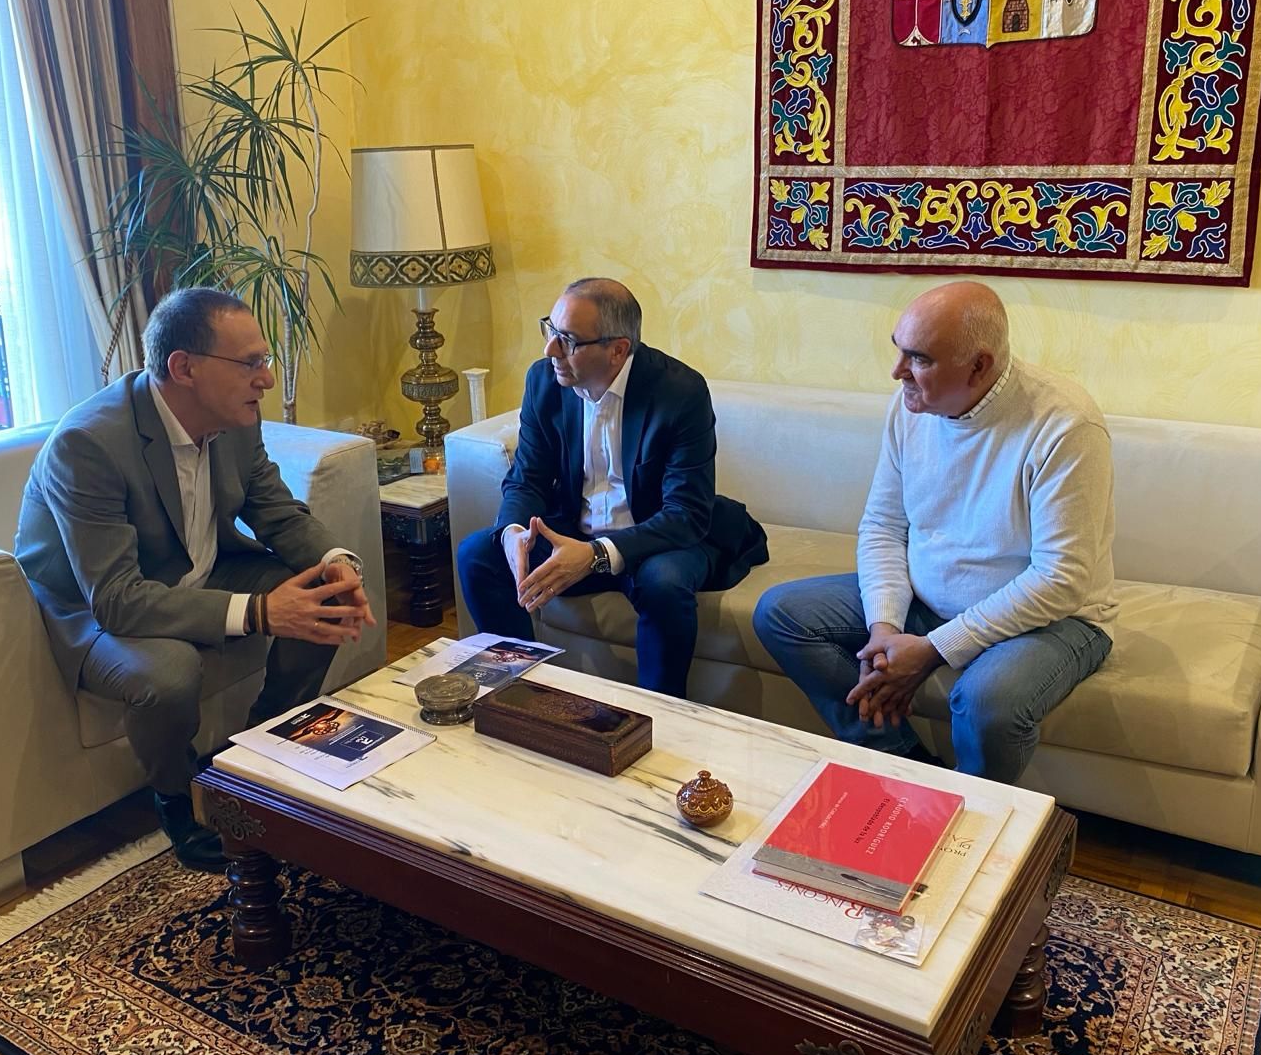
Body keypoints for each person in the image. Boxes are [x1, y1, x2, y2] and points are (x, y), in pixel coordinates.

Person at [16, 288, 376, 871]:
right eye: (250, 363)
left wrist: (337, 562)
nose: (266, 378)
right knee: (171, 675)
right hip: (99, 609)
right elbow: (115, 599)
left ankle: (259, 757)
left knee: (321, 595)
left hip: (201, 571)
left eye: (265, 360)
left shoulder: (235, 419)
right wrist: (261, 611)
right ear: (183, 368)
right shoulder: (88, 445)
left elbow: (277, 513)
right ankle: (177, 798)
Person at [753, 282, 1117, 783]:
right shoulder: (910, 406)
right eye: (899, 350)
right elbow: (883, 525)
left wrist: (934, 649)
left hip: (1053, 621)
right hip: (929, 598)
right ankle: (910, 773)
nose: (898, 371)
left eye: (918, 358)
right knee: (782, 614)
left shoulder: (1064, 425)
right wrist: (885, 629)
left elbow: (1061, 579)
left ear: (979, 366)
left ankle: (979, 822)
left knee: (988, 700)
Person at [455, 277, 768, 699]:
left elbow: (686, 514)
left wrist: (596, 555)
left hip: (655, 538)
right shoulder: (544, 381)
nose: (550, 350)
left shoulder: (679, 393)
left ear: (617, 349)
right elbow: (527, 476)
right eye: (551, 330)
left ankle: (661, 716)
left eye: (567, 340)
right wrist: (513, 535)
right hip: (574, 530)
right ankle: (522, 697)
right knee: (478, 553)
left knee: (665, 584)